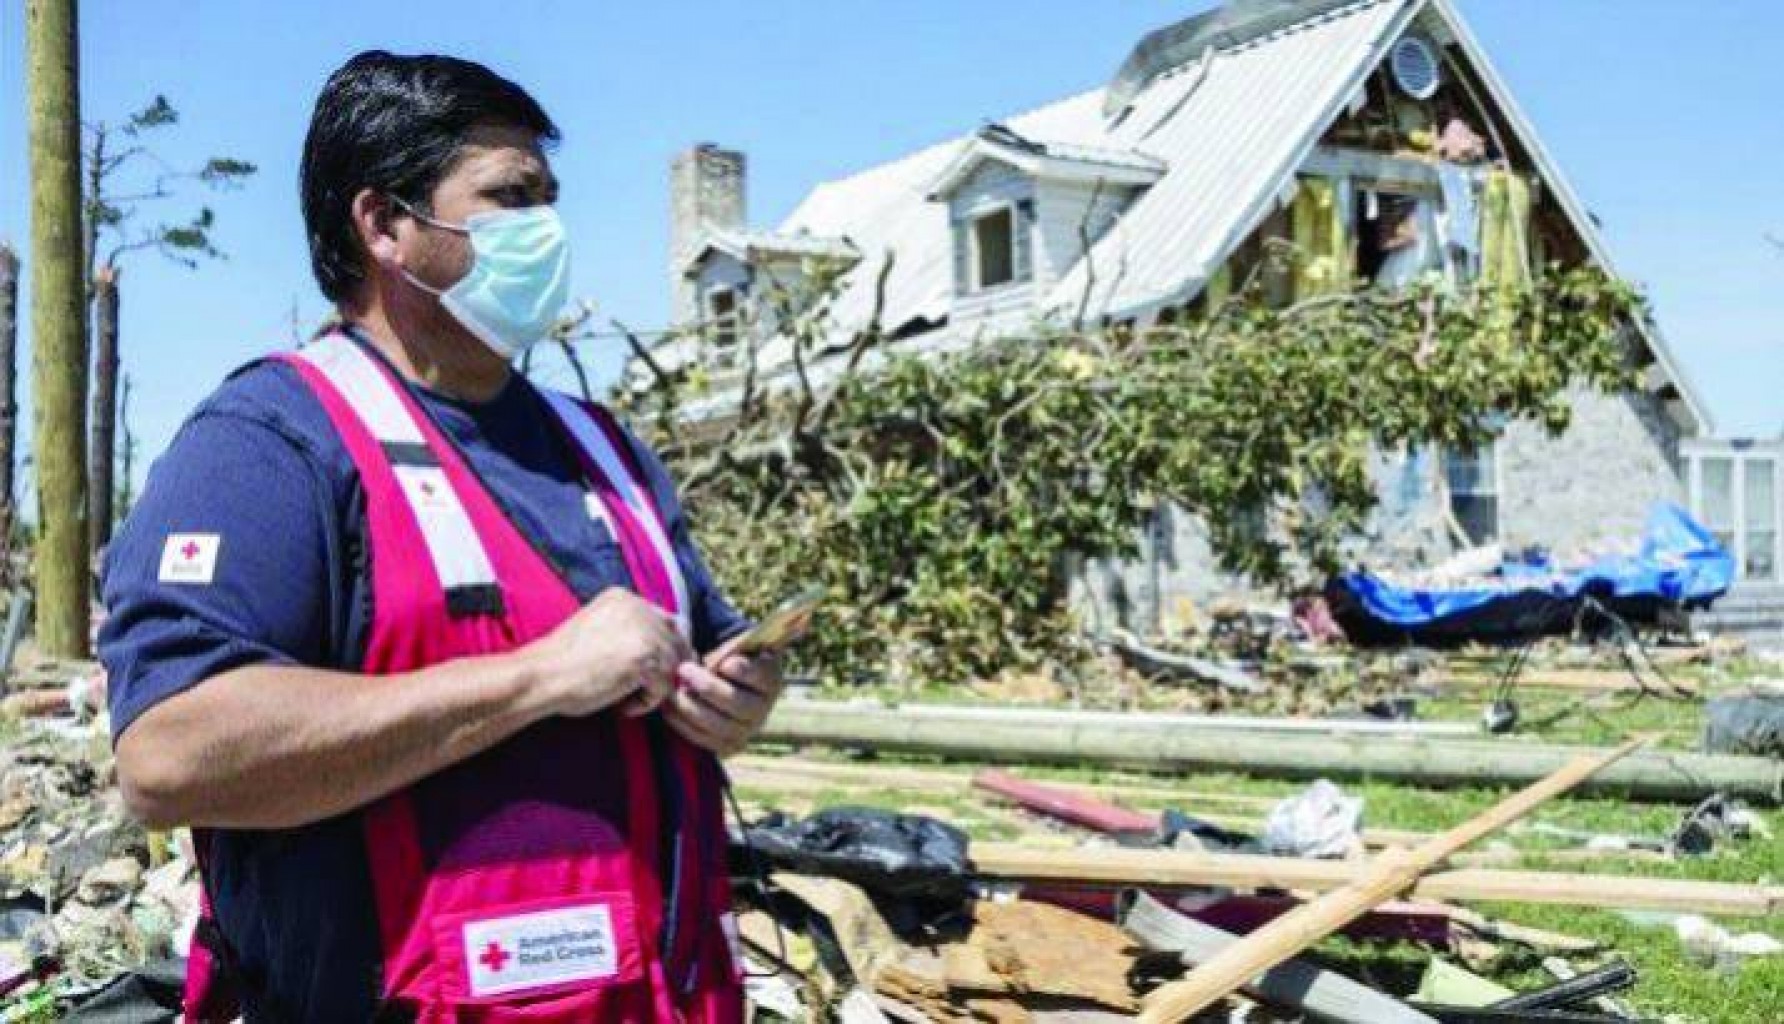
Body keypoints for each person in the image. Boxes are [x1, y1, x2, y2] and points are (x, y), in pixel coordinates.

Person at [98, 50, 781, 1022]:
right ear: (385, 225)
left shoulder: (601, 449)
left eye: (550, 199)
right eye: (511, 198)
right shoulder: (273, 443)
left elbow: (704, 645)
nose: (547, 233)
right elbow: (169, 755)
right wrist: (536, 676)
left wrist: (736, 700)